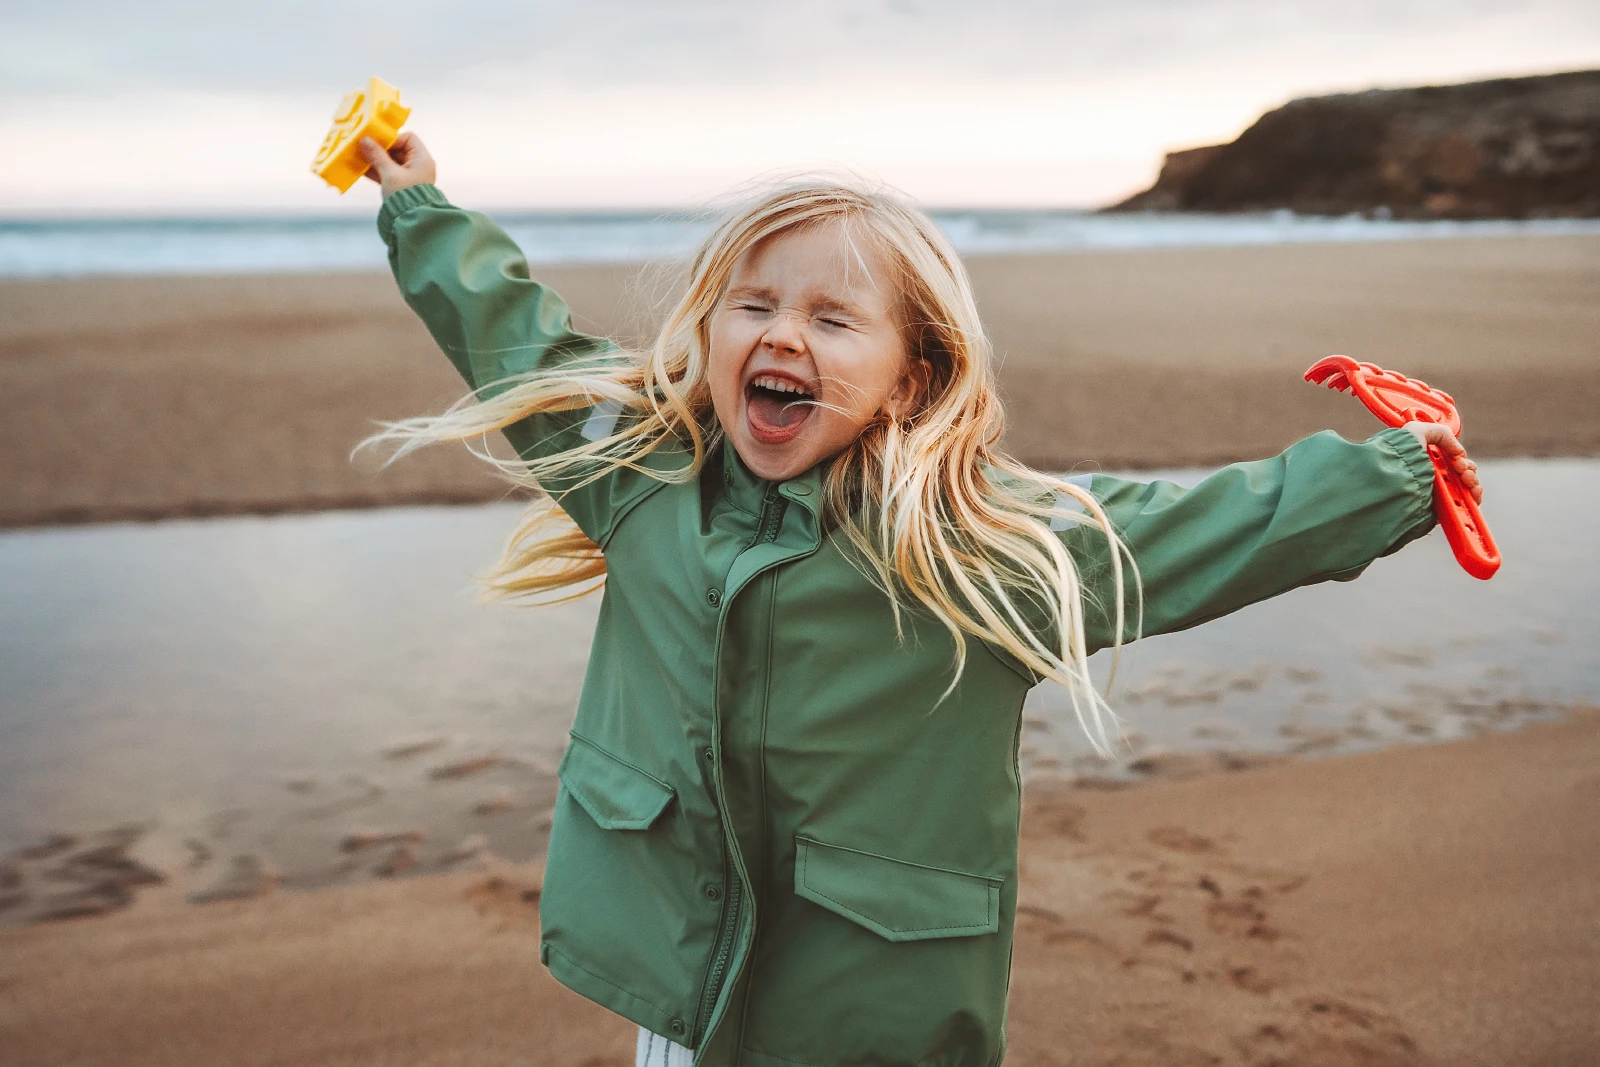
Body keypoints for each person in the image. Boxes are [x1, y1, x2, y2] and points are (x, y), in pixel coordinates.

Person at [356, 133, 1482, 1067]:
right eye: (752, 304)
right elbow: (518, 342)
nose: (782, 333)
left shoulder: (973, 546)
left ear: (912, 373)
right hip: (686, 995)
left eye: (834, 319)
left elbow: (1191, 531)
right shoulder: (640, 479)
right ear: (708, 331)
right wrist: (416, 203)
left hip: (867, 1013)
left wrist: (1394, 474)